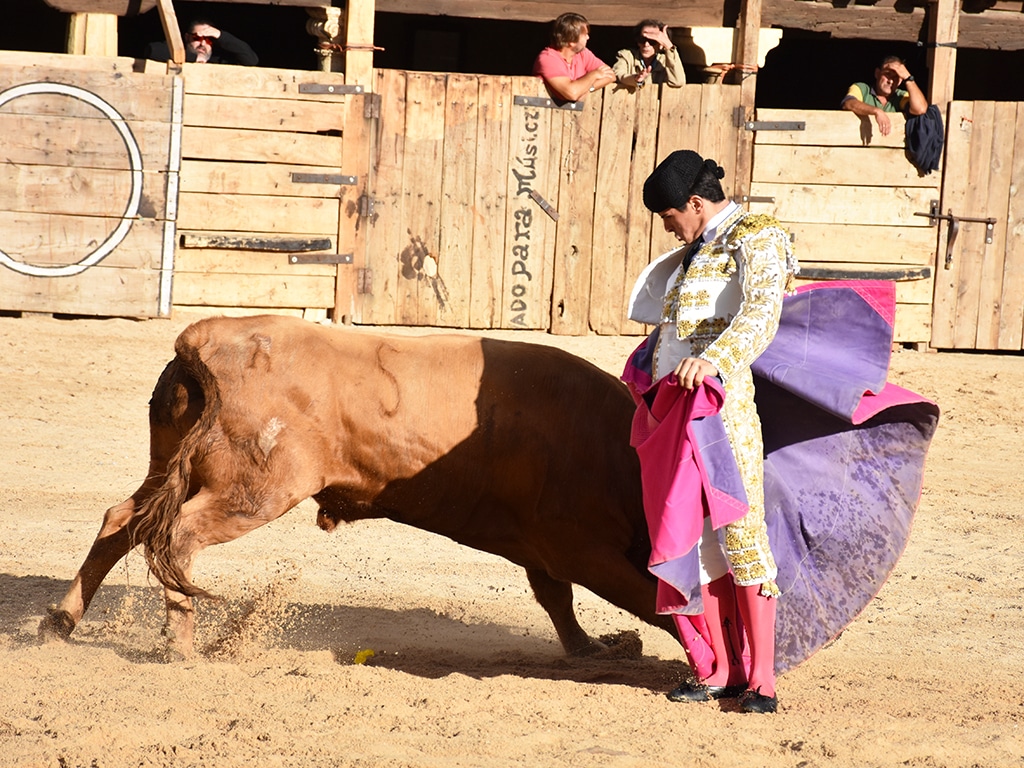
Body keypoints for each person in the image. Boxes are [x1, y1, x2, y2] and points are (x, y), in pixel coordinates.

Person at [623, 150, 798, 714]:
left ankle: (762, 678)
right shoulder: (693, 252)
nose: (668, 227)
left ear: (695, 203)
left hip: (723, 411)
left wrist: (715, 360)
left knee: (741, 532)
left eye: (670, 215)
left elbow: (761, 312)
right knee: (693, 538)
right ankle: (721, 668)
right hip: (676, 410)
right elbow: (676, 330)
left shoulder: (757, 234)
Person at [532, 12, 615, 103]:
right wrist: (594, 75)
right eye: (585, 34)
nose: (588, 37)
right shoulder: (548, 59)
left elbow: (611, 75)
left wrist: (589, 88)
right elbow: (572, 93)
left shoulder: (583, 54)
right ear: (571, 41)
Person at [841, 55, 927, 136]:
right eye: (888, 74)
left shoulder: (901, 96)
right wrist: (876, 111)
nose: (891, 81)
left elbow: (920, 109)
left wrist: (908, 78)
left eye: (896, 77)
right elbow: (848, 103)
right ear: (877, 73)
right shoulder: (862, 88)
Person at [145, 19, 259, 66]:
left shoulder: (217, 61)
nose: (203, 44)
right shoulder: (172, 51)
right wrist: (194, 58)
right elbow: (153, 50)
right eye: (197, 38)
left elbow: (251, 59)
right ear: (187, 37)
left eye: (209, 39)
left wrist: (221, 35)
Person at [612, 20, 685, 90]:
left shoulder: (666, 61)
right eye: (642, 40)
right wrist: (635, 79)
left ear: (660, 44)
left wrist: (668, 45)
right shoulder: (627, 56)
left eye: (652, 41)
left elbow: (678, 82)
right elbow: (618, 75)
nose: (646, 44)